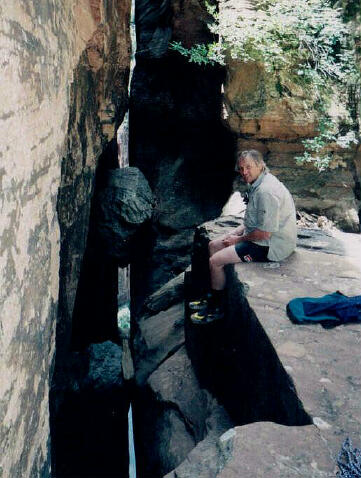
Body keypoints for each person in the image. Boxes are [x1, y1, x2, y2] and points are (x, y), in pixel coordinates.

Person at [190, 149, 297, 324]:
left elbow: (264, 233)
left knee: (215, 262)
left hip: (271, 246)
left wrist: (237, 240)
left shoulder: (266, 191)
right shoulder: (259, 183)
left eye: (248, 167)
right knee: (213, 245)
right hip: (263, 237)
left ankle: (217, 308)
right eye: (241, 168)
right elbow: (253, 221)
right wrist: (232, 234)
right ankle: (211, 296)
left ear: (260, 165)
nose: (244, 172)